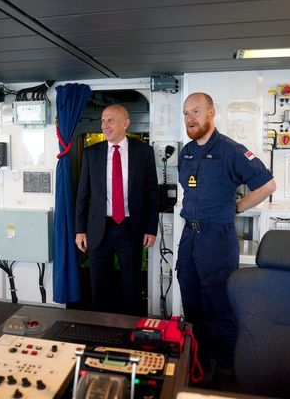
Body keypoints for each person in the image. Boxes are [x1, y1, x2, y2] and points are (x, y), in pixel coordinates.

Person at [177, 92, 276, 379]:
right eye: (186, 113)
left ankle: (225, 368)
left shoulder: (232, 150)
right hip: (190, 239)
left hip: (217, 240)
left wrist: (238, 206)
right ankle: (199, 360)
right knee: (192, 303)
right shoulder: (186, 152)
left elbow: (268, 185)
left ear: (212, 113)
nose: (190, 118)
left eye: (196, 111)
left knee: (220, 306)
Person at [75, 104, 159, 316]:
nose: (105, 125)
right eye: (103, 120)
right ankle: (102, 329)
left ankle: (128, 329)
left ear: (125, 123)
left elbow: (152, 193)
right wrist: (80, 230)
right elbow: (82, 194)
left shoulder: (144, 152)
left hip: (130, 228)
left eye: (110, 120)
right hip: (98, 228)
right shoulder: (91, 154)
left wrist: (151, 228)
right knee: (99, 284)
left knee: (130, 283)